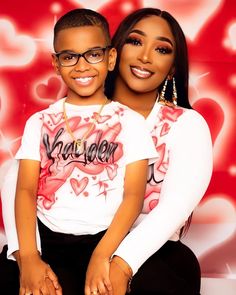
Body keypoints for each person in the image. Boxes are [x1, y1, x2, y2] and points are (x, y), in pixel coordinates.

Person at [0, 8, 158, 295]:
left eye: (93, 54)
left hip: (105, 239)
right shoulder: (39, 122)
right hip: (47, 238)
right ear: (56, 63)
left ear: (110, 58)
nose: (81, 66)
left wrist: (102, 255)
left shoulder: (131, 123)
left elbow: (134, 196)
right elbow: (24, 191)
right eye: (69, 56)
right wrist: (30, 257)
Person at [103, 8, 213, 295]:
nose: (145, 57)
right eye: (136, 42)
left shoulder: (187, 124)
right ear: (113, 53)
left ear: (173, 67)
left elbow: (174, 208)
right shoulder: (74, 115)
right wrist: (25, 255)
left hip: (152, 255)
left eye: (161, 49)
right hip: (76, 245)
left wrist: (121, 265)